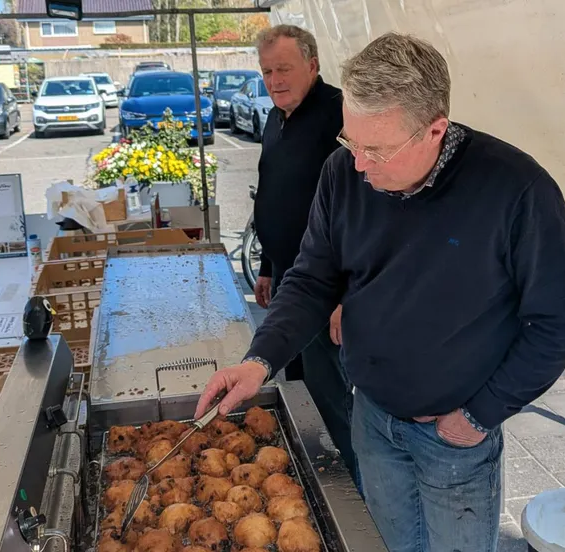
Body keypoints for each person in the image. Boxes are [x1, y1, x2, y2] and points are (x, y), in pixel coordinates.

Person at [197, 32, 565, 551]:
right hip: (373, 420)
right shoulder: (343, 174)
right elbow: (313, 278)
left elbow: (561, 324)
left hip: (456, 440)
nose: (359, 164)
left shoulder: (517, 190)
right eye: (350, 141)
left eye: (376, 150)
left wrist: (481, 414)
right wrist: (259, 360)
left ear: (435, 130)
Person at [250, 25, 360, 485]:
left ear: (312, 66)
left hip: (324, 290)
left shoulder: (341, 116)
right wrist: (267, 266)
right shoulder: (276, 118)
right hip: (287, 284)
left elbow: (363, 213)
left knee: (327, 396)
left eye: (284, 69)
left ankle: (351, 491)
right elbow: (273, 191)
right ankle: (305, 474)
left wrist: (349, 296)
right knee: (291, 387)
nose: (274, 80)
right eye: (267, 71)